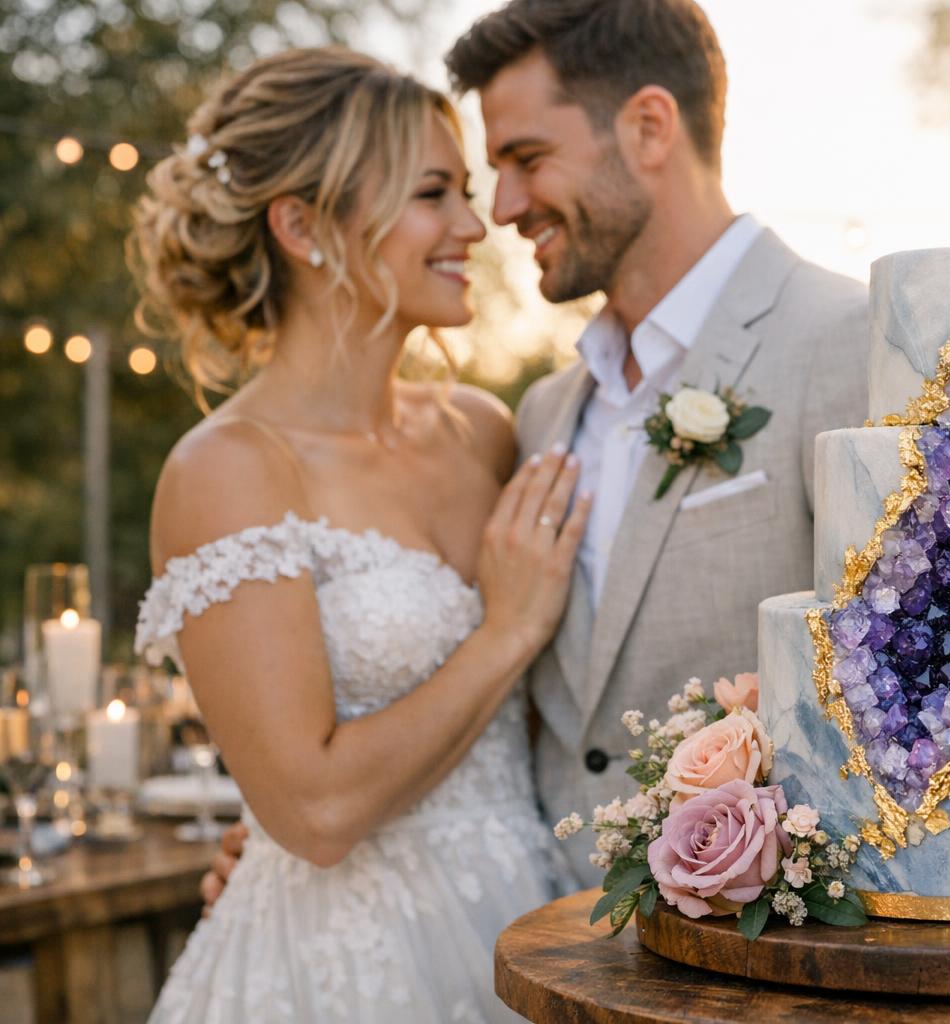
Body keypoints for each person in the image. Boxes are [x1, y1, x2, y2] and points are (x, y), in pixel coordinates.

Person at [202, 0, 872, 903]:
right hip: (531, 944)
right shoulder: (542, 416)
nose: (502, 211)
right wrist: (284, 826)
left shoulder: (853, 345)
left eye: (524, 160)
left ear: (647, 128)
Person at [131, 47, 588, 1020]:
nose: (475, 225)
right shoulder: (227, 470)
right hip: (340, 966)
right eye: (433, 194)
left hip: (535, 920)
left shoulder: (485, 430)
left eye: (463, 191)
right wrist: (504, 631)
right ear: (301, 225)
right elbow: (318, 810)